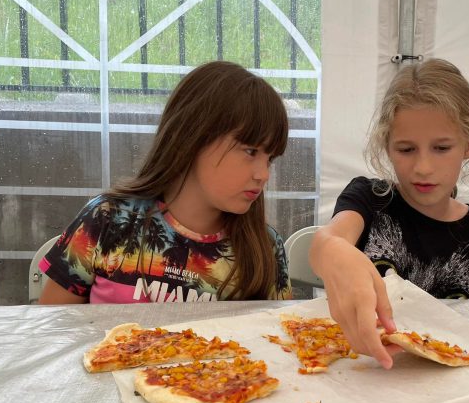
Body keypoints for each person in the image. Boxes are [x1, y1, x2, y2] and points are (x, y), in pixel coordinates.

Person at [309, 58, 469, 368]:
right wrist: (333, 251)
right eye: (406, 150)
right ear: (387, 146)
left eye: (441, 148)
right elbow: (327, 241)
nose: (423, 167)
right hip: (370, 372)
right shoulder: (369, 199)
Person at [39, 61, 292, 304]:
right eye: (250, 151)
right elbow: (53, 325)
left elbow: (280, 333)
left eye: (270, 159)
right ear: (192, 136)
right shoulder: (107, 219)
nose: (263, 174)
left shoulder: (265, 249)